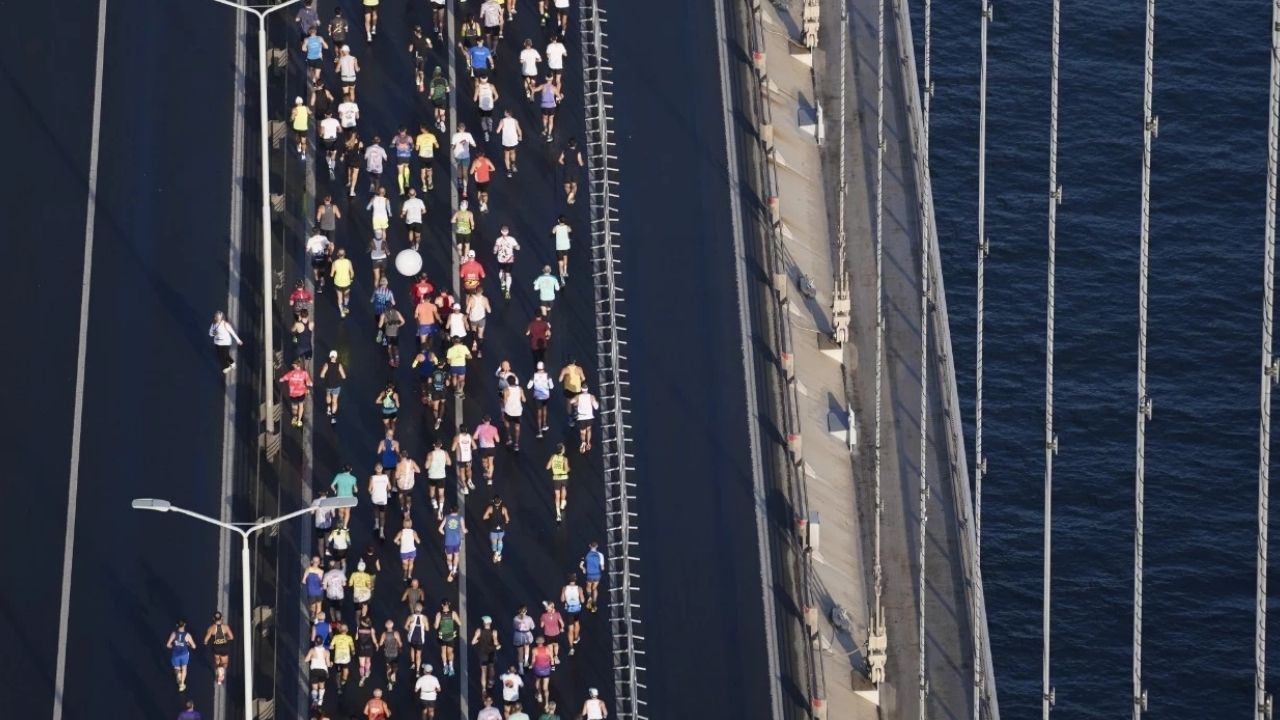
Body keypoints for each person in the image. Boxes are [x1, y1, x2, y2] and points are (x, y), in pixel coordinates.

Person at [202, 611, 235, 685]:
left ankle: (218, 671)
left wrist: (206, 643)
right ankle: (221, 674)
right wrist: (225, 638)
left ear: (213, 619)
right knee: (225, 663)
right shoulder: (225, 627)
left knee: (217, 662)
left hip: (216, 648)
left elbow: (205, 640)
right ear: (222, 618)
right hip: (224, 648)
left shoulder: (211, 628)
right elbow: (231, 637)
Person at [280, 358, 313, 428]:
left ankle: (294, 418)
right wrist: (310, 385)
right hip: (301, 393)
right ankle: (299, 420)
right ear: (299, 366)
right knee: (301, 405)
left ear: (295, 366)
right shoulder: (304, 373)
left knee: (294, 407)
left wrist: (281, 379)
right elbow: (309, 382)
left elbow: (282, 379)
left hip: (293, 394)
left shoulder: (291, 373)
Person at [471, 616, 501, 689]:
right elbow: (496, 643)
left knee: (483, 671)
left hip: (483, 653)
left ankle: (484, 689)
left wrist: (479, 640)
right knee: (491, 667)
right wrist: (497, 644)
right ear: (490, 623)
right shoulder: (494, 632)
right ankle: (491, 681)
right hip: (491, 652)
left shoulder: (479, 631)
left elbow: (473, 642)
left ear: (484, 623)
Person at [166, 620, 196, 691]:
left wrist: (174, 646)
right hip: (184, 655)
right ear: (184, 625)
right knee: (184, 668)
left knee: (177, 669)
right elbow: (194, 646)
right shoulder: (187, 635)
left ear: (177, 625)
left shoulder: (174, 634)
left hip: (176, 655)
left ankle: (178, 676)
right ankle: (182, 684)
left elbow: (168, 645)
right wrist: (188, 644)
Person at [435, 599, 462, 675]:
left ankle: (445, 666)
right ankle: (451, 667)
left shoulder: (439, 614)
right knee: (450, 651)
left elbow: (436, 626)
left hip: (442, 636)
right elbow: (460, 623)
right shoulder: (453, 613)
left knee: (443, 651)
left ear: (442, 605)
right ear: (448, 605)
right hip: (450, 636)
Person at [527, 362, 554, 436]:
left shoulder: (534, 375)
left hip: (537, 396)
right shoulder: (547, 375)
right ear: (543, 367)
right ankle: (544, 425)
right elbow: (551, 386)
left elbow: (528, 386)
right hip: (545, 396)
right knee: (545, 408)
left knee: (539, 412)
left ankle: (539, 431)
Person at [439, 506, 465, 582]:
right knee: (456, 555)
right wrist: (465, 531)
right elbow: (463, 530)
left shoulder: (446, 517)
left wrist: (445, 534)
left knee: (449, 557)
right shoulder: (460, 518)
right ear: (458, 510)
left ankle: (450, 569)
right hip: (457, 541)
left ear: (451, 510)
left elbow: (440, 529)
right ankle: (454, 570)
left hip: (448, 541)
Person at [493, 226, 520, 299]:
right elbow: (518, 248)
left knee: (501, 271)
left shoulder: (498, 240)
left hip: (500, 259)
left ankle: (502, 283)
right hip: (509, 260)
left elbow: (495, 249)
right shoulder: (512, 239)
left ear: (501, 232)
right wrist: (515, 247)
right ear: (508, 232)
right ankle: (507, 290)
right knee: (508, 274)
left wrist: (495, 251)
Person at [482, 494, 510, 563]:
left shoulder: (490, 508)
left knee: (494, 542)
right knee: (500, 540)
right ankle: (498, 553)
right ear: (500, 501)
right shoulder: (504, 509)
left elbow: (484, 517)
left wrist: (490, 518)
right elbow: (507, 520)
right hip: (501, 529)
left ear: (493, 502)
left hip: (493, 529)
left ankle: (495, 554)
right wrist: (504, 522)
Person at [424, 440, 451, 512]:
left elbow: (426, 466)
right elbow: (449, 463)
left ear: (433, 445)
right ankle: (441, 509)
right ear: (441, 445)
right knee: (441, 494)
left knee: (432, 491)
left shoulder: (430, 454)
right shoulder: (445, 453)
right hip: (441, 476)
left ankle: (435, 504)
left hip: (432, 476)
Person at [450, 125, 477, 195]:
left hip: (457, 156)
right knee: (465, 172)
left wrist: (455, 146)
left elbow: (452, 146)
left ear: (458, 128)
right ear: (464, 128)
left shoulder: (455, 135)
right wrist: (466, 142)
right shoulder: (468, 135)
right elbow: (474, 145)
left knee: (459, 169)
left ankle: (460, 184)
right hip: (466, 156)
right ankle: (465, 190)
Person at [533, 76, 562, 141]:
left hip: (544, 105)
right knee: (551, 120)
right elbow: (559, 97)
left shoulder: (542, 86)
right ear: (552, 79)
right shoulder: (554, 88)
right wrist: (561, 96)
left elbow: (534, 90)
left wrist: (531, 87)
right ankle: (549, 135)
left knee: (545, 118)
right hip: (552, 106)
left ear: (546, 78)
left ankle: (545, 129)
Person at [561, 573, 584, 654]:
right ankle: (576, 637)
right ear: (575, 580)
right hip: (577, 609)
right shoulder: (579, 588)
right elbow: (582, 600)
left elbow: (562, 599)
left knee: (570, 628)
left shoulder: (564, 588)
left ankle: (571, 647)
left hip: (569, 610)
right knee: (577, 623)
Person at [501, 376, 525, 451]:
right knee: (517, 427)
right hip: (518, 412)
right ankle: (516, 444)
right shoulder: (520, 389)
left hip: (508, 411)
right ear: (515, 381)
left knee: (507, 424)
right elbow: (524, 399)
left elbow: (504, 401)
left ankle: (509, 438)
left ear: (508, 382)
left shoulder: (506, 390)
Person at [547, 443, 570, 523]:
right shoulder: (565, 459)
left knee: (557, 496)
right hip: (564, 477)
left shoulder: (553, 457)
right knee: (564, 488)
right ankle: (563, 502)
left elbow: (547, 467)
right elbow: (566, 469)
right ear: (562, 450)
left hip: (556, 477)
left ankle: (558, 515)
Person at [393, 517, 421, 582]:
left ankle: (405, 573)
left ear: (403, 524)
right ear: (411, 524)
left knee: (405, 564)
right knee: (411, 562)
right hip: (412, 551)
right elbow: (418, 541)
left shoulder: (401, 532)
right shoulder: (413, 532)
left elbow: (395, 540)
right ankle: (409, 575)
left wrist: (399, 543)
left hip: (404, 551)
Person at [306, 637, 331, 707]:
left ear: (315, 642)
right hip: (323, 671)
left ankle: (314, 699)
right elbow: (328, 664)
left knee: (314, 688)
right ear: (322, 642)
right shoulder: (326, 652)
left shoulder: (312, 650)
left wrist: (312, 657)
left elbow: (306, 660)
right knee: (322, 686)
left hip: (314, 670)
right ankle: (320, 700)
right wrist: (331, 664)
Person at [580, 541, 605, 612]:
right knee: (594, 588)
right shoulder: (600, 555)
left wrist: (584, 569)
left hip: (589, 575)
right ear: (597, 546)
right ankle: (594, 603)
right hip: (597, 575)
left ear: (590, 546)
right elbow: (602, 568)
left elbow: (581, 565)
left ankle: (589, 598)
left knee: (588, 587)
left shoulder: (586, 555)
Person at [405, 603, 430, 672]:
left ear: (415, 609)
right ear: (421, 609)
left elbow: (405, 626)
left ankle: (413, 663)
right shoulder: (424, 618)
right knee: (418, 655)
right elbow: (427, 629)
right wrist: (423, 627)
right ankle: (418, 670)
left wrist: (410, 629)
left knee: (412, 649)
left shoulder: (410, 617)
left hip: (411, 639)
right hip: (420, 640)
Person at [496, 109, 522, 177]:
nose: (504, 113)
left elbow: (498, 131)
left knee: (506, 155)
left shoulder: (502, 120)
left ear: (507, 114)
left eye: (505, 112)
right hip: (513, 141)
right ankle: (513, 165)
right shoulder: (515, 121)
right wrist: (520, 136)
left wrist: (499, 129)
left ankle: (509, 171)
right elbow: (519, 130)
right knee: (513, 152)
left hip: (506, 142)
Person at [451, 424, 476, 493]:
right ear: (466, 430)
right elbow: (475, 447)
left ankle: (465, 488)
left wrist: (458, 446)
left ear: (460, 430)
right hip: (468, 457)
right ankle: (470, 481)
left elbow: (453, 448)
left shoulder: (457, 437)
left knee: (462, 472)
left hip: (461, 459)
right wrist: (469, 449)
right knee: (469, 469)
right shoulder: (470, 436)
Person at [559, 358, 585, 423]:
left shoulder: (565, 369)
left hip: (568, 390)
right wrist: (580, 381)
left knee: (569, 404)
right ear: (574, 361)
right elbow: (583, 378)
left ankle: (570, 418)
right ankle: (576, 411)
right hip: (577, 389)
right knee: (576, 401)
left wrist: (565, 377)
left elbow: (560, 380)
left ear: (568, 361)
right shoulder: (579, 369)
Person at [414, 124, 439, 192]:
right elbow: (437, 146)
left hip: (422, 156)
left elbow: (416, 148)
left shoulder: (419, 137)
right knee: (429, 170)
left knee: (423, 172)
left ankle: (424, 186)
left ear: (422, 129)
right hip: (430, 156)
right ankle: (430, 183)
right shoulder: (432, 136)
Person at [408, 25, 433, 92]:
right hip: (423, 57)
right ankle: (421, 82)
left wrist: (410, 48)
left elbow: (410, 50)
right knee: (421, 71)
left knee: (416, 70)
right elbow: (430, 46)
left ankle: (418, 82)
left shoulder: (413, 39)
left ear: (415, 32)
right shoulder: (425, 38)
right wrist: (427, 44)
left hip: (416, 58)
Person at [394, 450, 420, 515]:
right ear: (407, 455)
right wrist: (412, 470)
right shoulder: (412, 462)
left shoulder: (399, 465)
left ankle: (402, 507)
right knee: (409, 498)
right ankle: (408, 510)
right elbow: (418, 471)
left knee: (401, 496)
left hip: (401, 486)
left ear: (400, 456)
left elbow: (397, 476)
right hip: (409, 486)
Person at [330, 621, 355, 689]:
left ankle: (338, 686)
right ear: (347, 630)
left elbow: (331, 646)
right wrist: (353, 652)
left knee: (338, 673)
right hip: (346, 658)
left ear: (339, 630)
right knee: (346, 669)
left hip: (337, 658)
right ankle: (344, 680)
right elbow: (352, 647)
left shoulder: (336, 637)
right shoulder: (349, 638)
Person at [475, 415, 500, 483]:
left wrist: (480, 437)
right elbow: (497, 440)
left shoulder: (480, 427)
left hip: (483, 448)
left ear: (483, 420)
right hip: (491, 448)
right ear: (490, 420)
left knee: (484, 462)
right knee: (491, 463)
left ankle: (486, 470)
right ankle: (490, 478)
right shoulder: (494, 428)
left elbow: (475, 437)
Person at [559, 138, 584, 205]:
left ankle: (570, 198)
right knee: (574, 185)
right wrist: (581, 164)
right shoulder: (577, 152)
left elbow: (560, 160)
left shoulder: (565, 151)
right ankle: (571, 197)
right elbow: (580, 163)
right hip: (575, 170)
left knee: (567, 185)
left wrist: (565, 164)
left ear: (568, 144)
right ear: (575, 145)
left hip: (567, 169)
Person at [354, 616, 378, 686]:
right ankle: (367, 671)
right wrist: (376, 645)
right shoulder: (371, 629)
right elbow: (374, 639)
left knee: (361, 665)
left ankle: (362, 676)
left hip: (361, 648)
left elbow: (356, 638)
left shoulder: (359, 629)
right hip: (369, 648)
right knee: (368, 661)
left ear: (362, 622)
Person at [331, 247, 355, 317]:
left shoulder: (335, 263)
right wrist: (351, 279)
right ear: (345, 254)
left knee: (339, 297)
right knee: (346, 295)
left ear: (338, 254)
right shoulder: (348, 262)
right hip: (346, 282)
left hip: (338, 283)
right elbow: (352, 273)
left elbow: (332, 274)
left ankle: (342, 312)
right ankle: (346, 305)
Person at [466, 290, 492, 355]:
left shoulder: (471, 298)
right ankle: (479, 352)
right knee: (480, 335)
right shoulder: (485, 299)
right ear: (482, 291)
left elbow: (467, 310)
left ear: (475, 291)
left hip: (473, 318)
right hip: (481, 319)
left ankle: (474, 342)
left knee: (474, 330)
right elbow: (489, 311)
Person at [380, 618, 403, 690]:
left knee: (388, 668)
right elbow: (400, 643)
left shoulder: (384, 634)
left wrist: (383, 643)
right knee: (394, 666)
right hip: (395, 653)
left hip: (387, 653)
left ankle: (390, 684)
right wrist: (399, 645)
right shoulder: (396, 633)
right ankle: (393, 677)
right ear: (392, 625)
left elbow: (380, 643)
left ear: (385, 626)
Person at [474, 76, 498, 141]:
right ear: (487, 79)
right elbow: (496, 96)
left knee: (483, 120)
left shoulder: (478, 87)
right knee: (489, 117)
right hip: (490, 107)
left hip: (482, 107)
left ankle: (486, 133)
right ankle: (490, 126)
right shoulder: (491, 86)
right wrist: (492, 101)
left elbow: (475, 99)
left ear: (480, 80)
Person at [380, 300, 404, 367]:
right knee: (396, 347)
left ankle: (392, 360)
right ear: (392, 306)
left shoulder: (383, 314)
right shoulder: (397, 312)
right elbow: (403, 321)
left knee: (389, 347)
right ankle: (397, 360)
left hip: (388, 334)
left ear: (385, 307)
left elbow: (380, 325)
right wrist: (398, 325)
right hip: (395, 333)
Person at [575, 385, 599, 452]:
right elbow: (596, 407)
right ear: (587, 389)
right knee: (589, 430)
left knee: (582, 432)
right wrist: (596, 403)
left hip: (581, 417)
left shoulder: (578, 397)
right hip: (589, 417)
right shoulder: (591, 396)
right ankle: (588, 443)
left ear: (581, 389)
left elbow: (573, 403)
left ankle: (583, 442)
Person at [530, 636, 554, 703]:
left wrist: (531, 666)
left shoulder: (534, 650)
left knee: (537, 681)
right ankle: (546, 703)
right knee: (545, 688)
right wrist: (553, 668)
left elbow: (533, 660)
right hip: (546, 670)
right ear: (543, 642)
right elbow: (552, 659)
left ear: (537, 642)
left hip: (538, 670)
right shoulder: (547, 649)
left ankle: (539, 694)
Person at [343, 127, 365, 197]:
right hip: (356, 160)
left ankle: (349, 181)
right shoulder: (359, 142)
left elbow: (344, 151)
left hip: (349, 159)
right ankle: (352, 190)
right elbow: (363, 151)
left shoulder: (347, 142)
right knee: (355, 175)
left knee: (349, 169)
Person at [427, 67, 450, 132]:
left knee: (436, 113)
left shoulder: (433, 81)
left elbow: (432, 92)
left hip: (435, 99)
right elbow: (448, 90)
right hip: (443, 99)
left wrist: (429, 96)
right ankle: (442, 123)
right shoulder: (444, 80)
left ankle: (438, 123)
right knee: (442, 114)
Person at [552, 216, 572, 280]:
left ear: (558, 221)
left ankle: (562, 278)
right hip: (565, 246)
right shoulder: (566, 227)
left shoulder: (556, 227)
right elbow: (570, 230)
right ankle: (565, 272)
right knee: (565, 258)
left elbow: (553, 232)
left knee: (560, 262)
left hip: (559, 247)